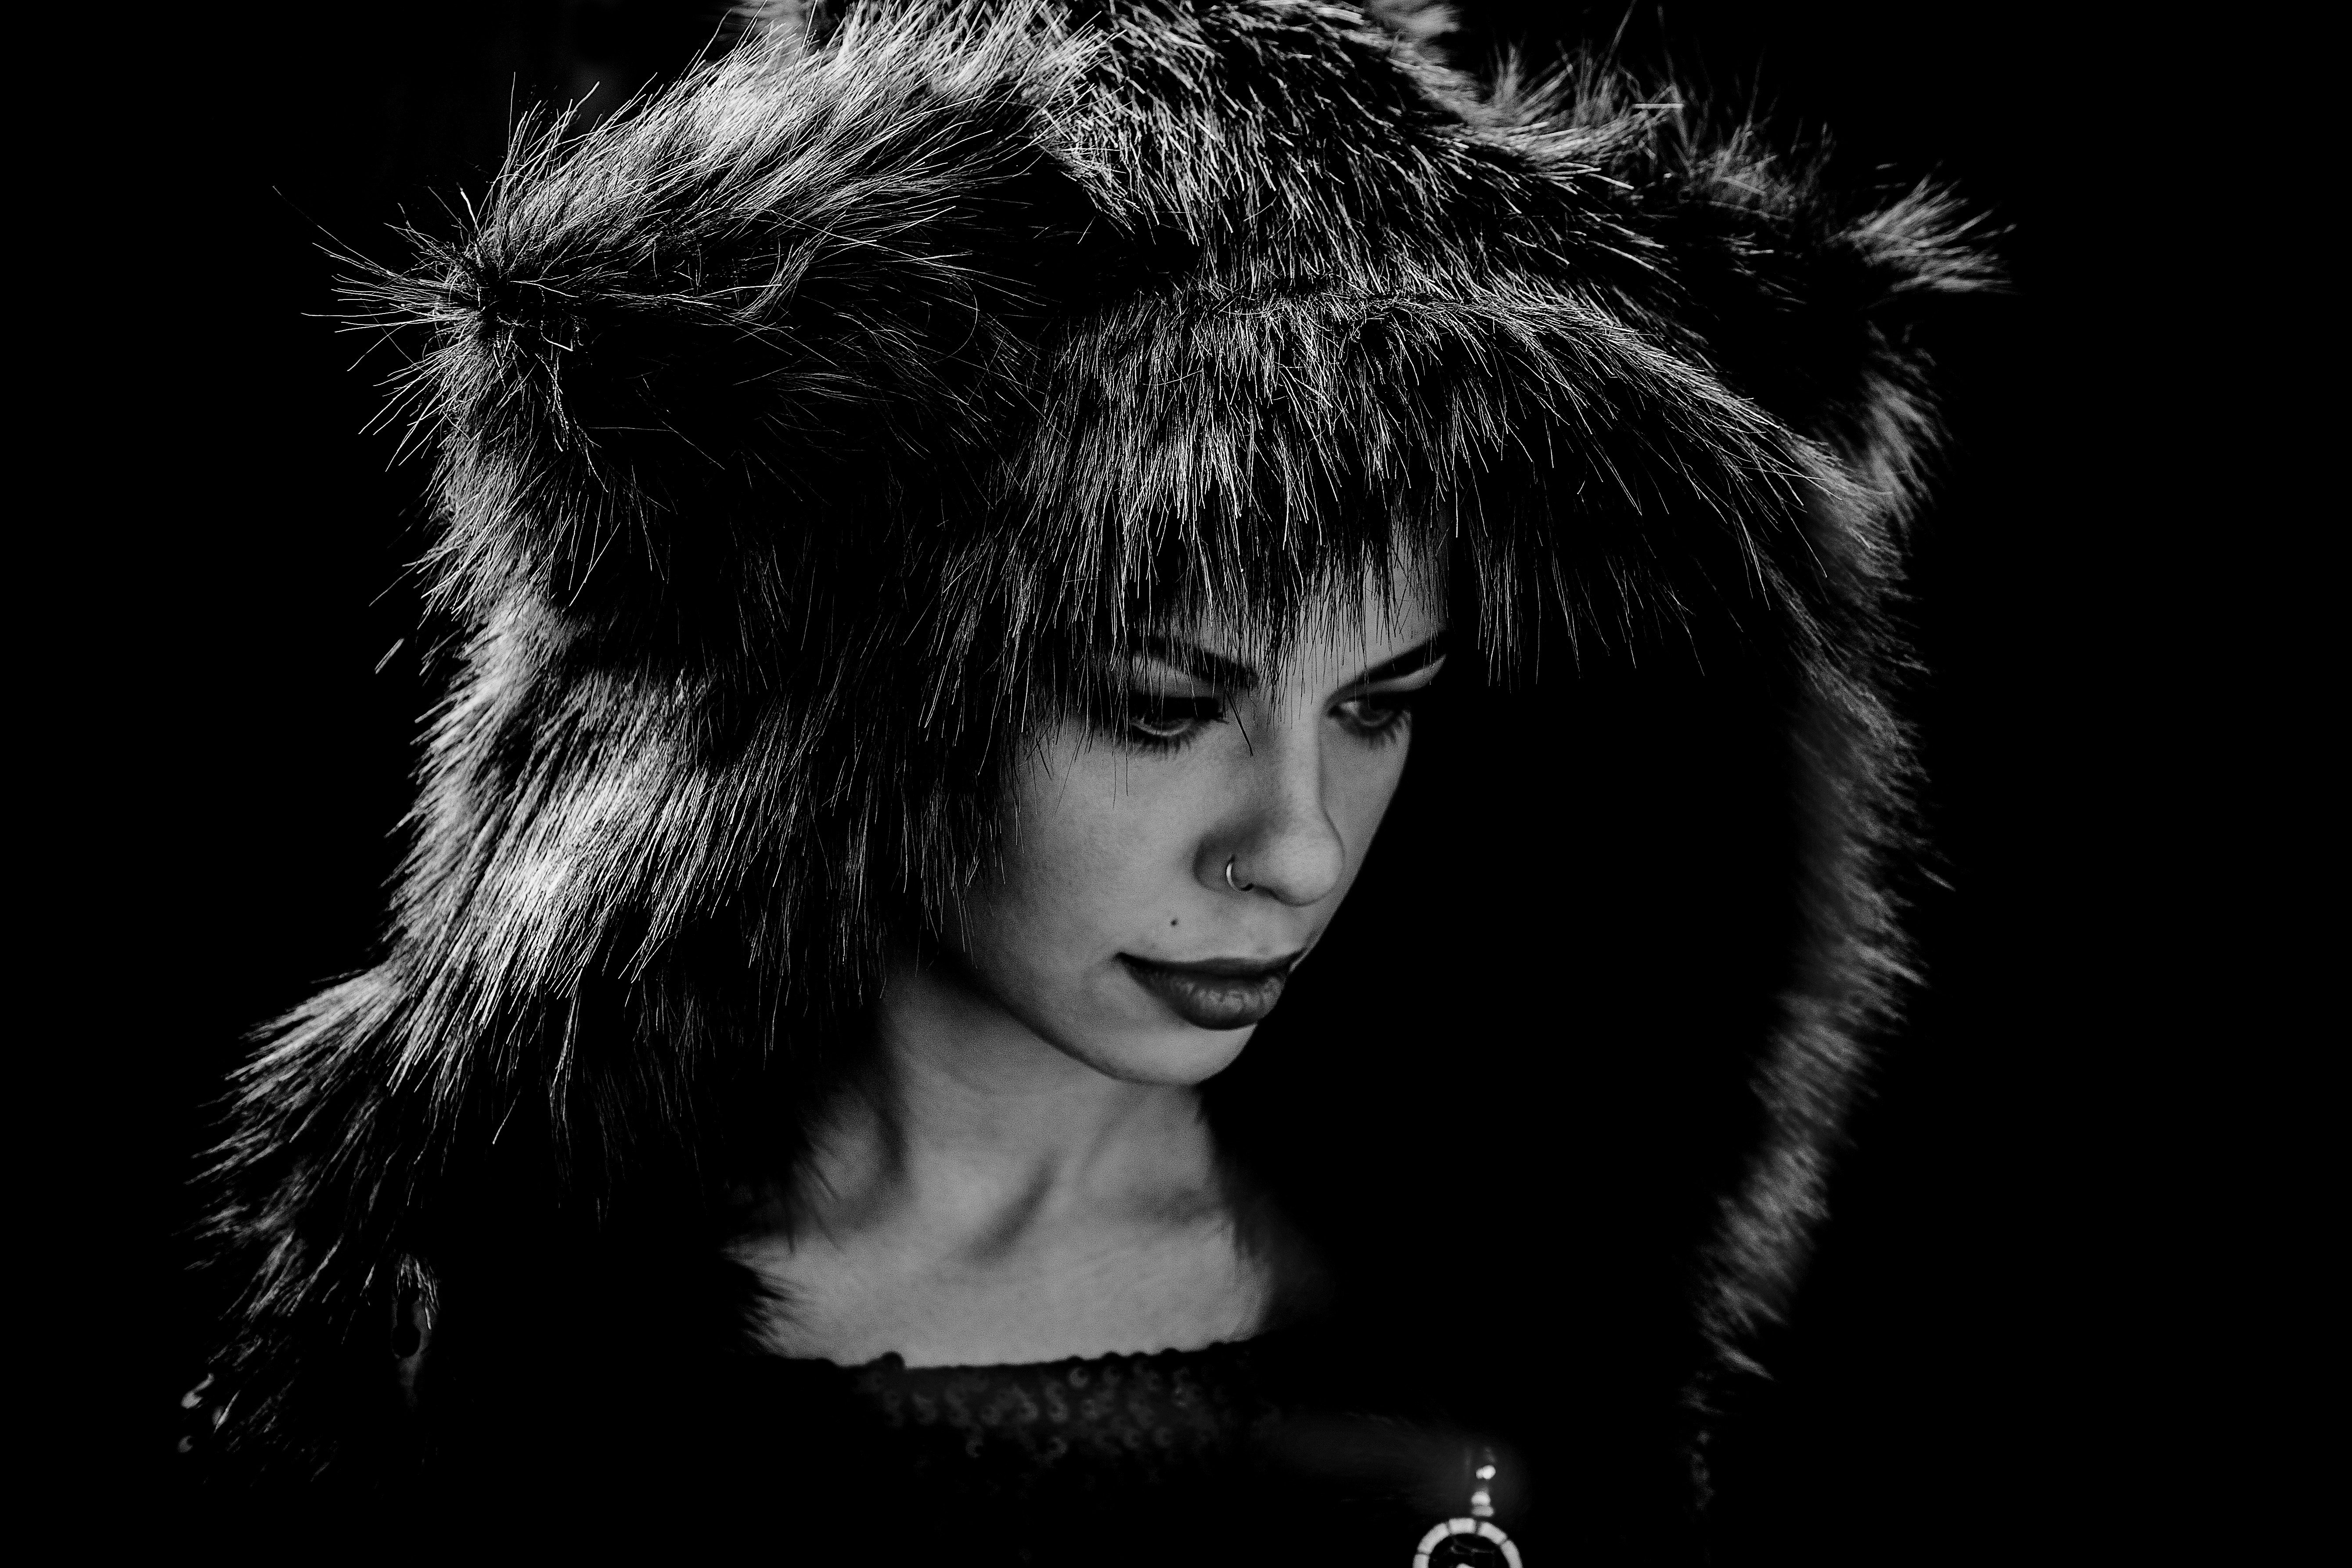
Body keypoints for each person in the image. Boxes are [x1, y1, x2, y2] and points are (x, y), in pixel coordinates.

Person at [185, 2, 1994, 1558]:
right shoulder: (467, 1339)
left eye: (1383, 707)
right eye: (1157, 705)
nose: (1295, 850)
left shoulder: (1514, 1308)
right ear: (848, 723)